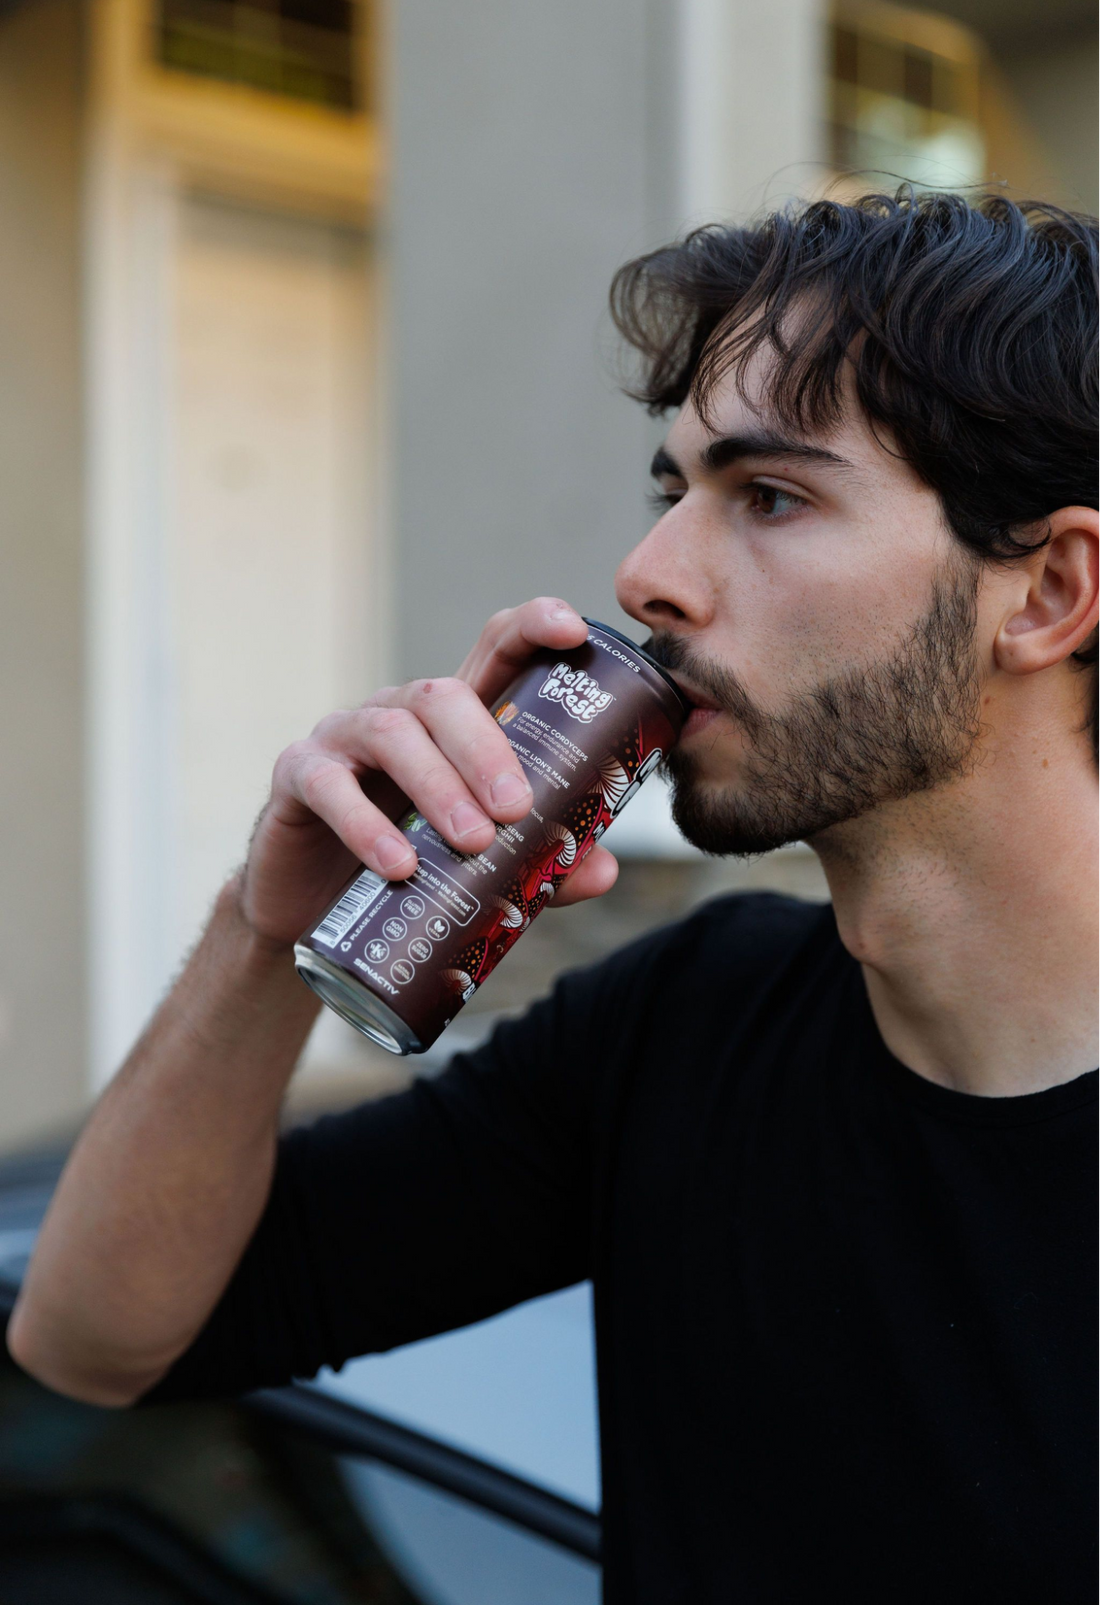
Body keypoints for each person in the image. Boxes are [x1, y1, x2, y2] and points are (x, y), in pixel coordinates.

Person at [10, 190, 1100, 1602]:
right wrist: (268, 925)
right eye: (675, 492)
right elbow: (93, 1337)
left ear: (1050, 592)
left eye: (772, 497)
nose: (648, 576)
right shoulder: (680, 1032)